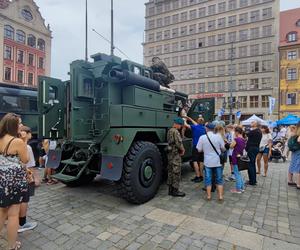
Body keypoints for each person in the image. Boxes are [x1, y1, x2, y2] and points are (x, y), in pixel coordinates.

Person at [0, 113, 29, 250]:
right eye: (20, 123)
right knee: (12, 215)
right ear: (13, 125)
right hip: (15, 180)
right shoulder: (17, 142)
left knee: (2, 212)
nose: (21, 126)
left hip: (2, 179)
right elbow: (25, 160)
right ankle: (11, 245)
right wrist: (24, 141)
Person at [197, 123, 225, 201]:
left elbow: (199, 150)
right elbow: (223, 148)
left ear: (206, 129)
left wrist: (205, 149)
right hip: (217, 161)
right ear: (214, 129)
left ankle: (209, 196)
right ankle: (220, 196)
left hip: (208, 161)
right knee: (219, 179)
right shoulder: (219, 136)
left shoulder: (202, 137)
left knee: (208, 179)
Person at [18, 126, 38, 233]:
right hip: (23, 176)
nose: (32, 134)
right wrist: (33, 177)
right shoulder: (27, 147)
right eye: (30, 132)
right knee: (24, 200)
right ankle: (22, 223)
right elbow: (29, 165)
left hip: (14, 177)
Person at [167, 117, 186, 197]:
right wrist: (183, 149)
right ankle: (175, 190)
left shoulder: (169, 131)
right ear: (177, 124)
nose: (181, 127)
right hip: (175, 155)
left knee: (170, 172)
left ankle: (170, 190)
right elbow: (178, 143)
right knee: (176, 172)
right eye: (181, 125)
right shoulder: (176, 132)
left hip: (170, 154)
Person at [184, 116, 206, 183]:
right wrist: (189, 118)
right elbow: (195, 123)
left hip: (196, 146)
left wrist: (184, 119)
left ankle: (197, 176)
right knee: (201, 161)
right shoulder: (204, 128)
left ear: (197, 121)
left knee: (195, 161)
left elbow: (186, 125)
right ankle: (202, 175)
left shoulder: (194, 127)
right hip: (203, 147)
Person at [230, 127, 246, 193]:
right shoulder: (243, 139)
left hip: (235, 157)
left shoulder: (236, 139)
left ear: (236, 132)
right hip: (240, 157)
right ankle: (242, 187)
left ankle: (238, 189)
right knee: (239, 173)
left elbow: (231, 146)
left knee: (236, 173)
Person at [245, 120, 262, 186]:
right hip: (254, 148)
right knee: (252, 164)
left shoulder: (255, 131)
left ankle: (252, 181)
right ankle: (253, 180)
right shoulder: (257, 131)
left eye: (253, 122)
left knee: (250, 165)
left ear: (256, 124)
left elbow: (246, 134)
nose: (251, 122)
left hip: (252, 149)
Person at [287, 122, 300, 189]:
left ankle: (290, 180)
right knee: (298, 167)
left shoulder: (294, 132)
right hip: (298, 151)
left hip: (294, 151)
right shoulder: (298, 133)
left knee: (292, 164)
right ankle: (298, 184)